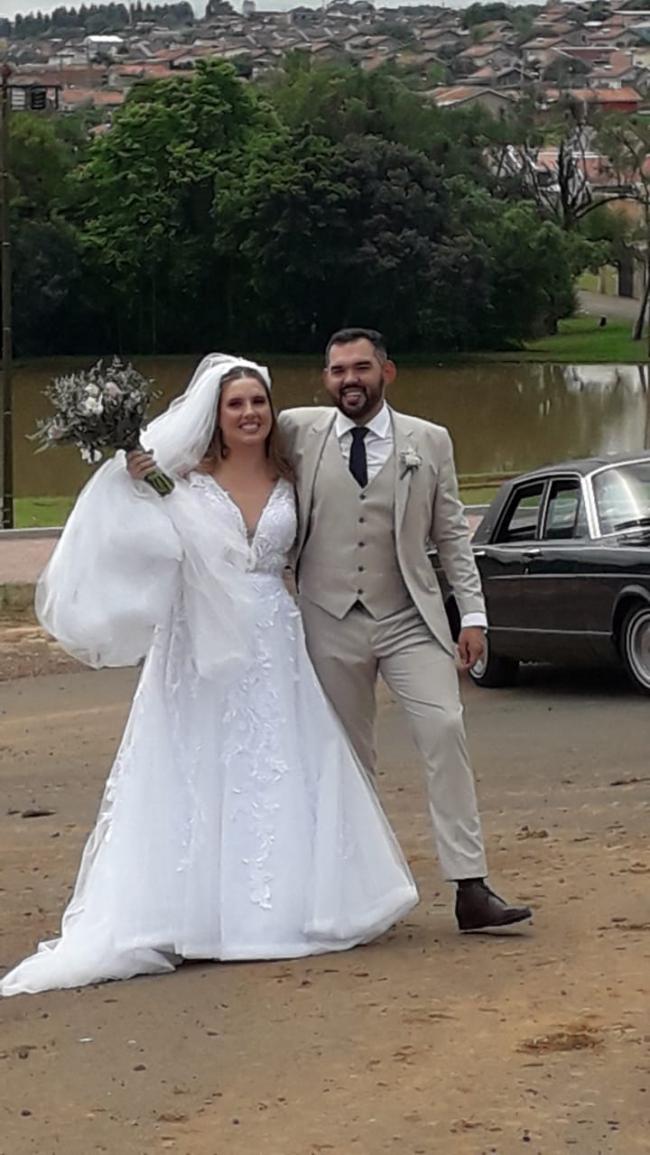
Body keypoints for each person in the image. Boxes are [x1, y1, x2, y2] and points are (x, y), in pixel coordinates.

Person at [0, 355, 417, 997]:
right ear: (215, 417)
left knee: (277, 762)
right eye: (236, 404)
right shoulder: (181, 480)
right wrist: (133, 482)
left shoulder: (292, 473)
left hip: (273, 636)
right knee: (196, 762)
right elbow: (144, 541)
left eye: (258, 402)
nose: (249, 413)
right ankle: (183, 912)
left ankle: (281, 908)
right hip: (196, 640)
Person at [278, 328, 532, 932]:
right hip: (326, 616)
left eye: (360, 368)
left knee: (445, 727)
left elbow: (451, 535)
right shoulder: (296, 430)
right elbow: (227, 439)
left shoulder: (429, 440)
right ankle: (357, 889)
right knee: (347, 754)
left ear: (386, 372)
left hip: (409, 616)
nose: (349, 380)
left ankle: (470, 887)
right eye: (338, 370)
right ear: (325, 378)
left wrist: (474, 615)